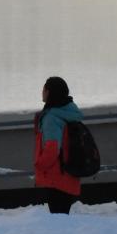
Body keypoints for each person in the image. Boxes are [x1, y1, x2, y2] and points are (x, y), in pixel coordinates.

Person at [34, 76, 83, 214]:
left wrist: (39, 164)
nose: (42, 92)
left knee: (58, 220)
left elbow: (52, 148)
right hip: (69, 173)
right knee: (63, 219)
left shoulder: (51, 118)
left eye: (44, 89)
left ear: (50, 92)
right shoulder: (68, 112)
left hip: (56, 177)